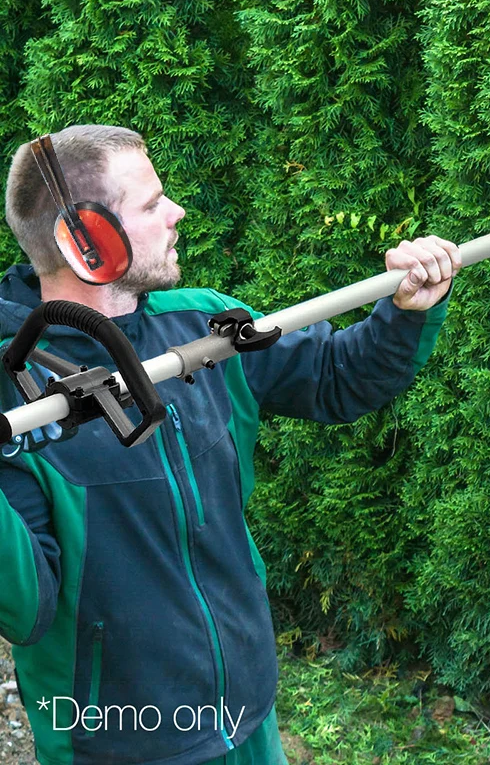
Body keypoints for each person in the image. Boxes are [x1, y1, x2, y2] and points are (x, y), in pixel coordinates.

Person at [0, 124, 461, 765]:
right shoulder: (15, 393)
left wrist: (409, 310)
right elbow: (26, 608)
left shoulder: (204, 325)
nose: (177, 212)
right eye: (152, 204)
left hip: (244, 711)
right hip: (115, 738)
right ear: (89, 240)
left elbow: (336, 380)